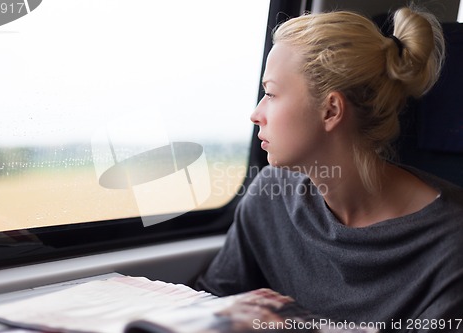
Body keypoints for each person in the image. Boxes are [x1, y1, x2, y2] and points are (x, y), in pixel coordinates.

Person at [195, 6, 463, 333]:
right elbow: (213, 301)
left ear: (331, 110)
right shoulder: (271, 195)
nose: (256, 113)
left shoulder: (451, 244)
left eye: (271, 93)